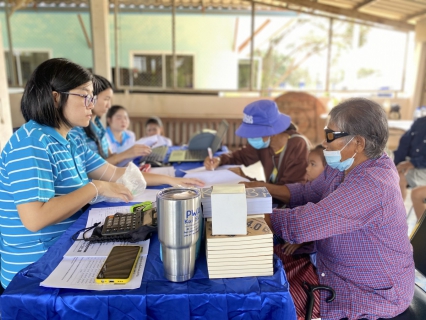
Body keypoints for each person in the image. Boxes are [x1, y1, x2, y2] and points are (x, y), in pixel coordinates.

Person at [0, 58, 204, 289]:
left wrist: (172, 181)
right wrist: (95, 188)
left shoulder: (69, 140)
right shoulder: (31, 143)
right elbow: (35, 219)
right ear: (56, 97)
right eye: (85, 95)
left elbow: (117, 174)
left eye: (93, 97)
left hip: (67, 246)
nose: (91, 104)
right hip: (35, 269)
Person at [258, 98, 414, 319]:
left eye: (331, 136)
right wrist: (262, 188)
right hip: (333, 268)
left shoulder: (373, 183)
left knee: (266, 300)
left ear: (358, 143)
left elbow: (302, 226)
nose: (324, 143)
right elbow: (307, 192)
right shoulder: (344, 164)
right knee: (268, 265)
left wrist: (253, 214)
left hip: (369, 291)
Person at [203, 100, 309, 200]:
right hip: (272, 199)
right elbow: (241, 156)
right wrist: (219, 160)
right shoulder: (263, 144)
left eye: (255, 133)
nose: (251, 138)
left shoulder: (297, 145)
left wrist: (253, 183)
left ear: (272, 131)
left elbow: (290, 194)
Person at [71, 75, 152, 165]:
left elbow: (108, 157)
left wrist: (130, 155)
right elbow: (90, 169)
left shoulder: (99, 126)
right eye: (106, 99)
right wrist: (126, 154)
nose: (109, 105)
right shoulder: (77, 130)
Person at [281, 144, 325, 256]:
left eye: (313, 164)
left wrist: (302, 241)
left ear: (328, 169)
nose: (307, 168)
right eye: (308, 163)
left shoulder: (328, 194)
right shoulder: (308, 188)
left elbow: (321, 227)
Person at [393, 116, 426, 200]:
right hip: (411, 161)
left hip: (422, 166)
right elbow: (404, 143)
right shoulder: (420, 122)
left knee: (400, 177)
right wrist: (397, 163)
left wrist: (413, 163)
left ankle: (397, 211)